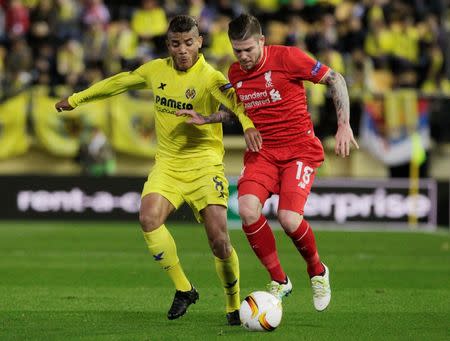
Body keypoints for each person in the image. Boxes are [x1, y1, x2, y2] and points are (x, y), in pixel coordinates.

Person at [54, 15, 262, 325]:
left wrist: (247, 126)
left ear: (199, 42)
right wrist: (76, 99)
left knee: (219, 240)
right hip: (168, 165)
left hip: (205, 164)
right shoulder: (156, 70)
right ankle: (184, 288)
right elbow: (119, 83)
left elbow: (237, 103)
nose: (182, 50)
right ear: (168, 44)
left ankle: (233, 305)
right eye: (176, 44)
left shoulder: (210, 77)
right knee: (148, 218)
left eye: (188, 43)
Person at [178, 13, 359, 312]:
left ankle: (317, 270)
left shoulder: (288, 58)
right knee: (247, 209)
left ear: (262, 41)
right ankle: (279, 279)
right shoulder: (234, 72)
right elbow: (240, 110)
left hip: (299, 150)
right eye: (238, 51)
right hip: (263, 152)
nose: (244, 57)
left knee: (289, 219)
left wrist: (344, 124)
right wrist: (207, 118)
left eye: (249, 49)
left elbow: (335, 78)